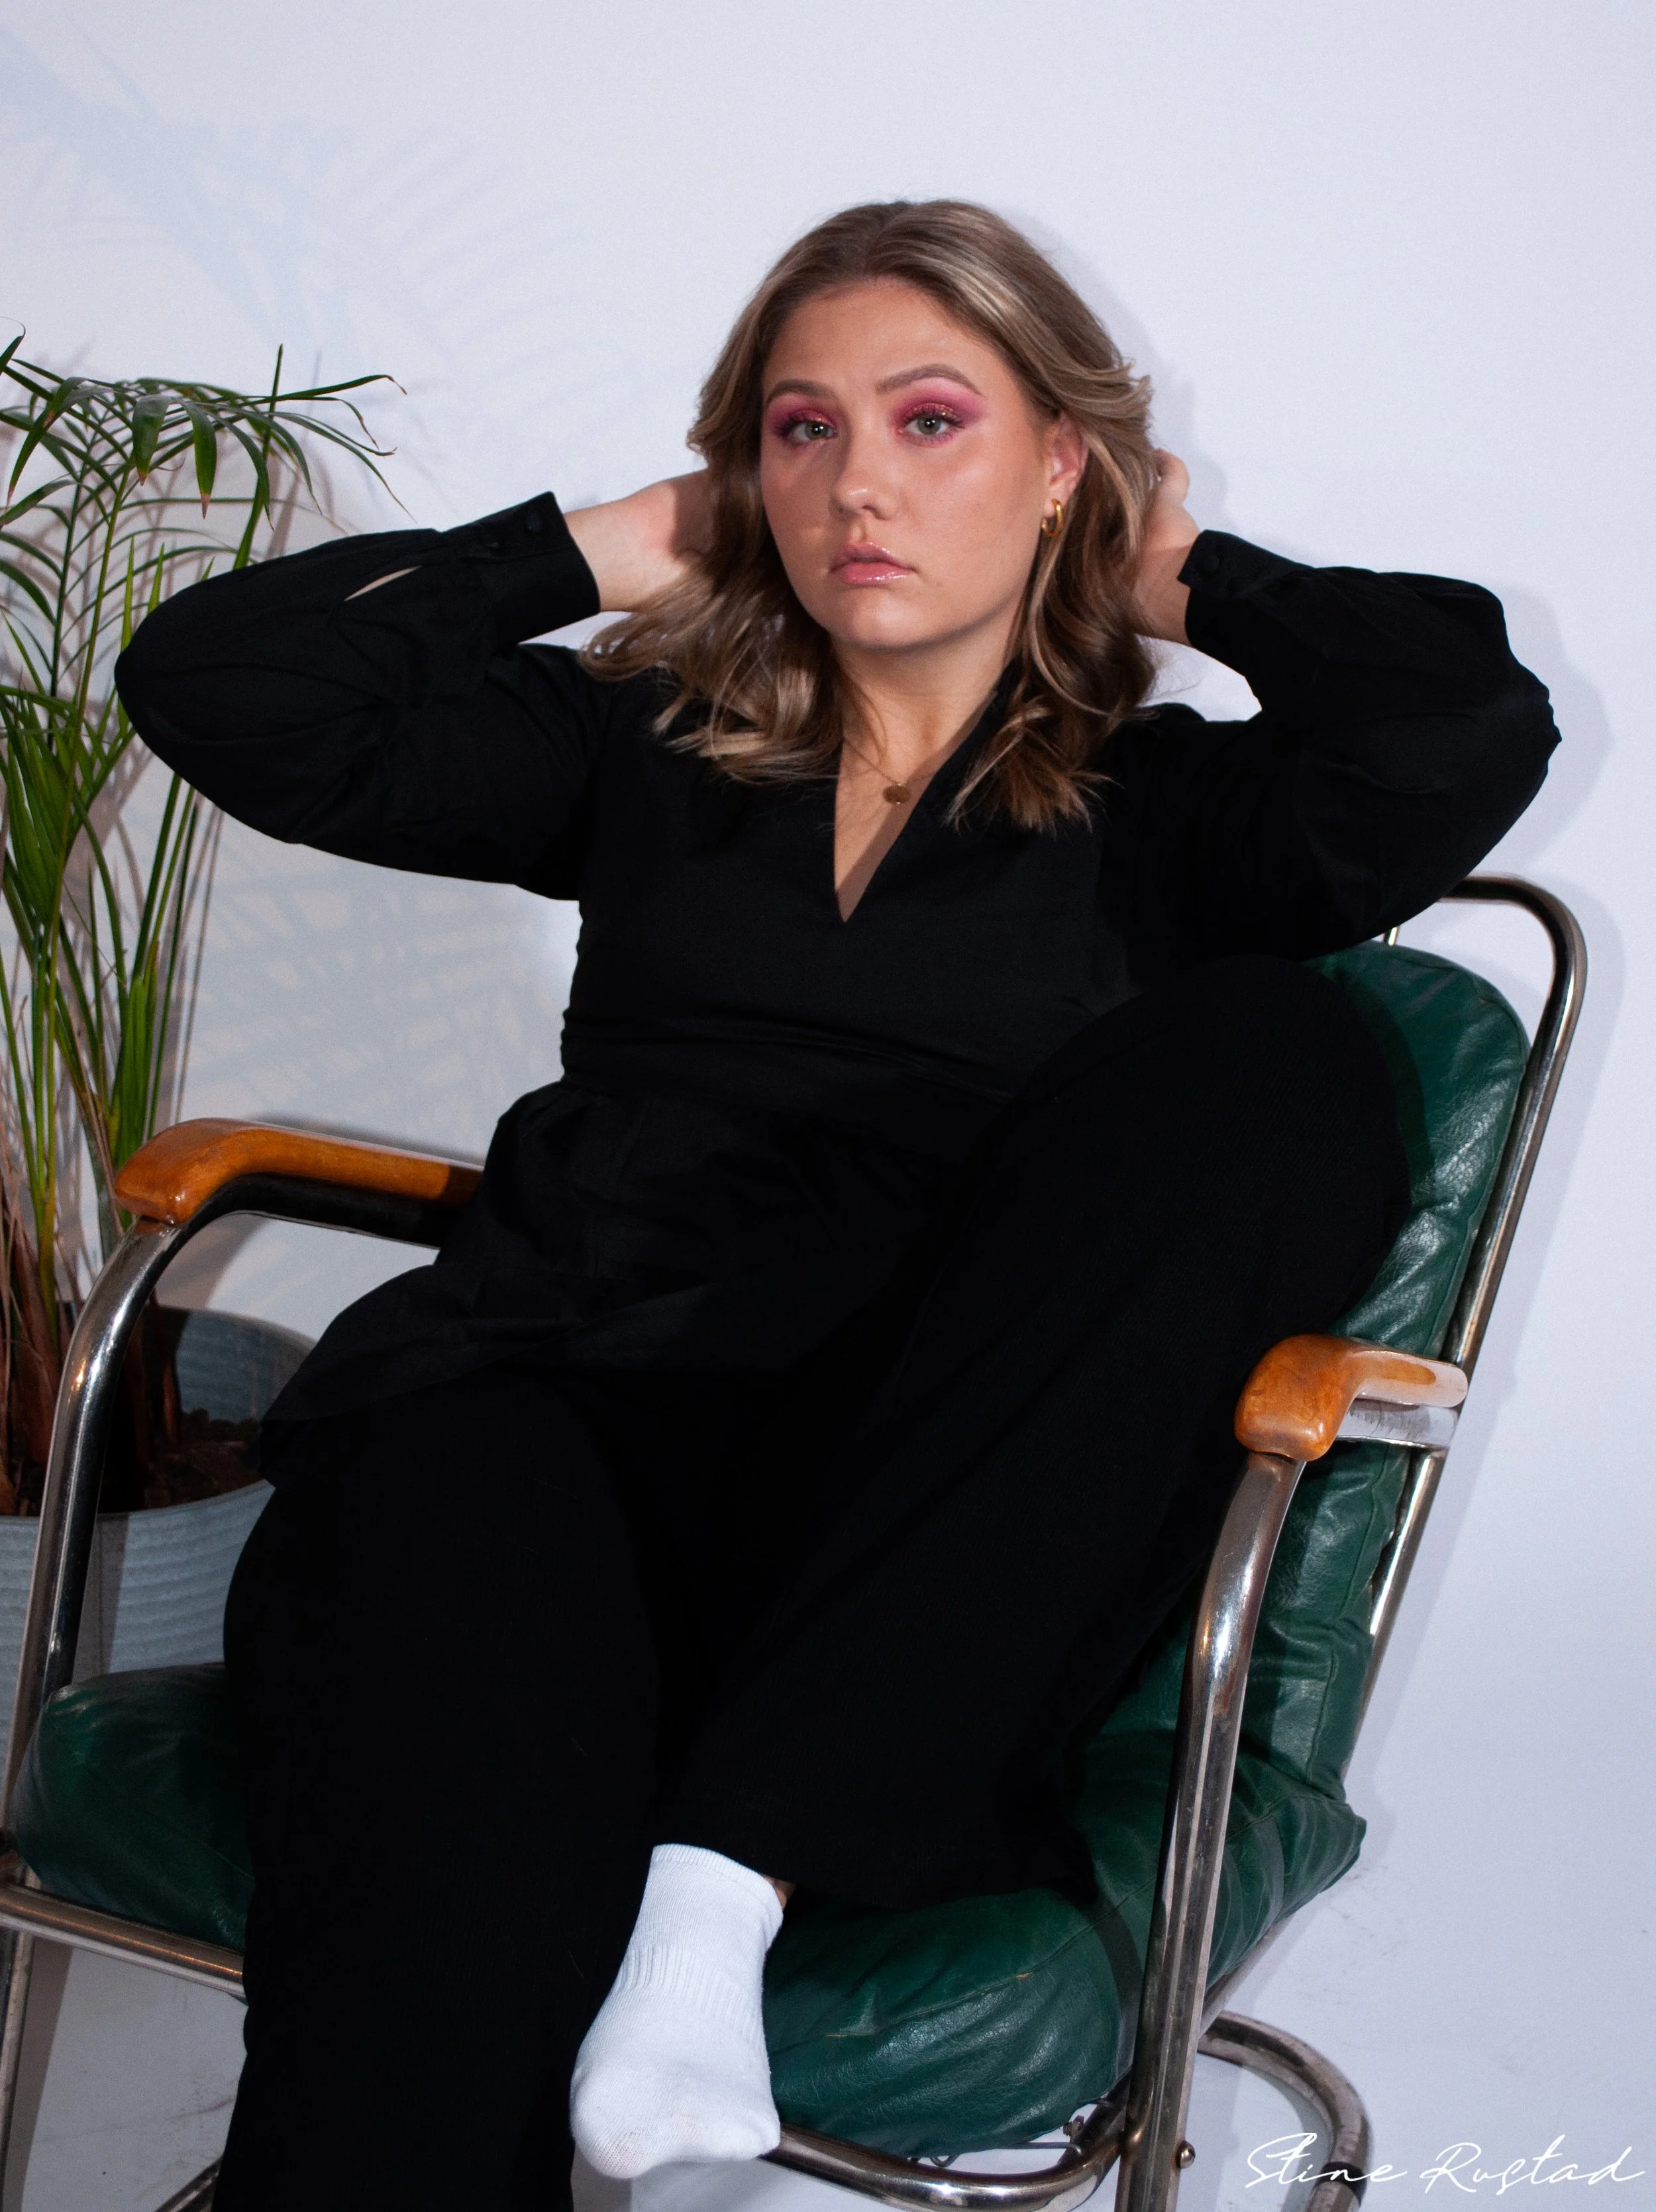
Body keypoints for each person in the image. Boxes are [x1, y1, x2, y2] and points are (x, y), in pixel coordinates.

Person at [114, 199, 1558, 2211]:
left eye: (932, 420)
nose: (858, 482)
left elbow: (1460, 720)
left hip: (894, 1516)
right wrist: (619, 545)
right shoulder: (642, 749)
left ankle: (726, 1881)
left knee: (1281, 1056)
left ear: (1061, 461)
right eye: (804, 430)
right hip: (527, 1411)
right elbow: (222, 682)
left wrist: (1163, 565)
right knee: (441, 1895)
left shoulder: (1183, 819)